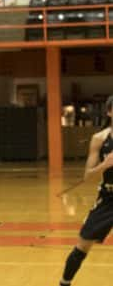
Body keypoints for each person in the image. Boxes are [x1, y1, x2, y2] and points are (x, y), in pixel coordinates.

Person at [59, 95, 113, 286]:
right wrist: (104, 165)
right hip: (108, 198)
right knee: (83, 244)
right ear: (109, 112)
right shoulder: (99, 139)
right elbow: (87, 177)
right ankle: (64, 283)